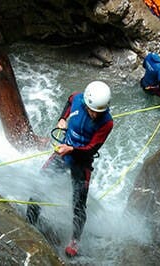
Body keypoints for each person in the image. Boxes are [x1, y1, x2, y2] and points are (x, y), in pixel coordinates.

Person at [27, 81, 113, 257]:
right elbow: (69, 100)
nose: (95, 115)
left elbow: (92, 148)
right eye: (92, 110)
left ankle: (75, 240)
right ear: (86, 103)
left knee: (79, 203)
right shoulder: (78, 99)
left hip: (82, 159)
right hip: (64, 151)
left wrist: (72, 149)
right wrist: (62, 118)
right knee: (40, 182)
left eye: (99, 112)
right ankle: (29, 220)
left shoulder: (107, 123)